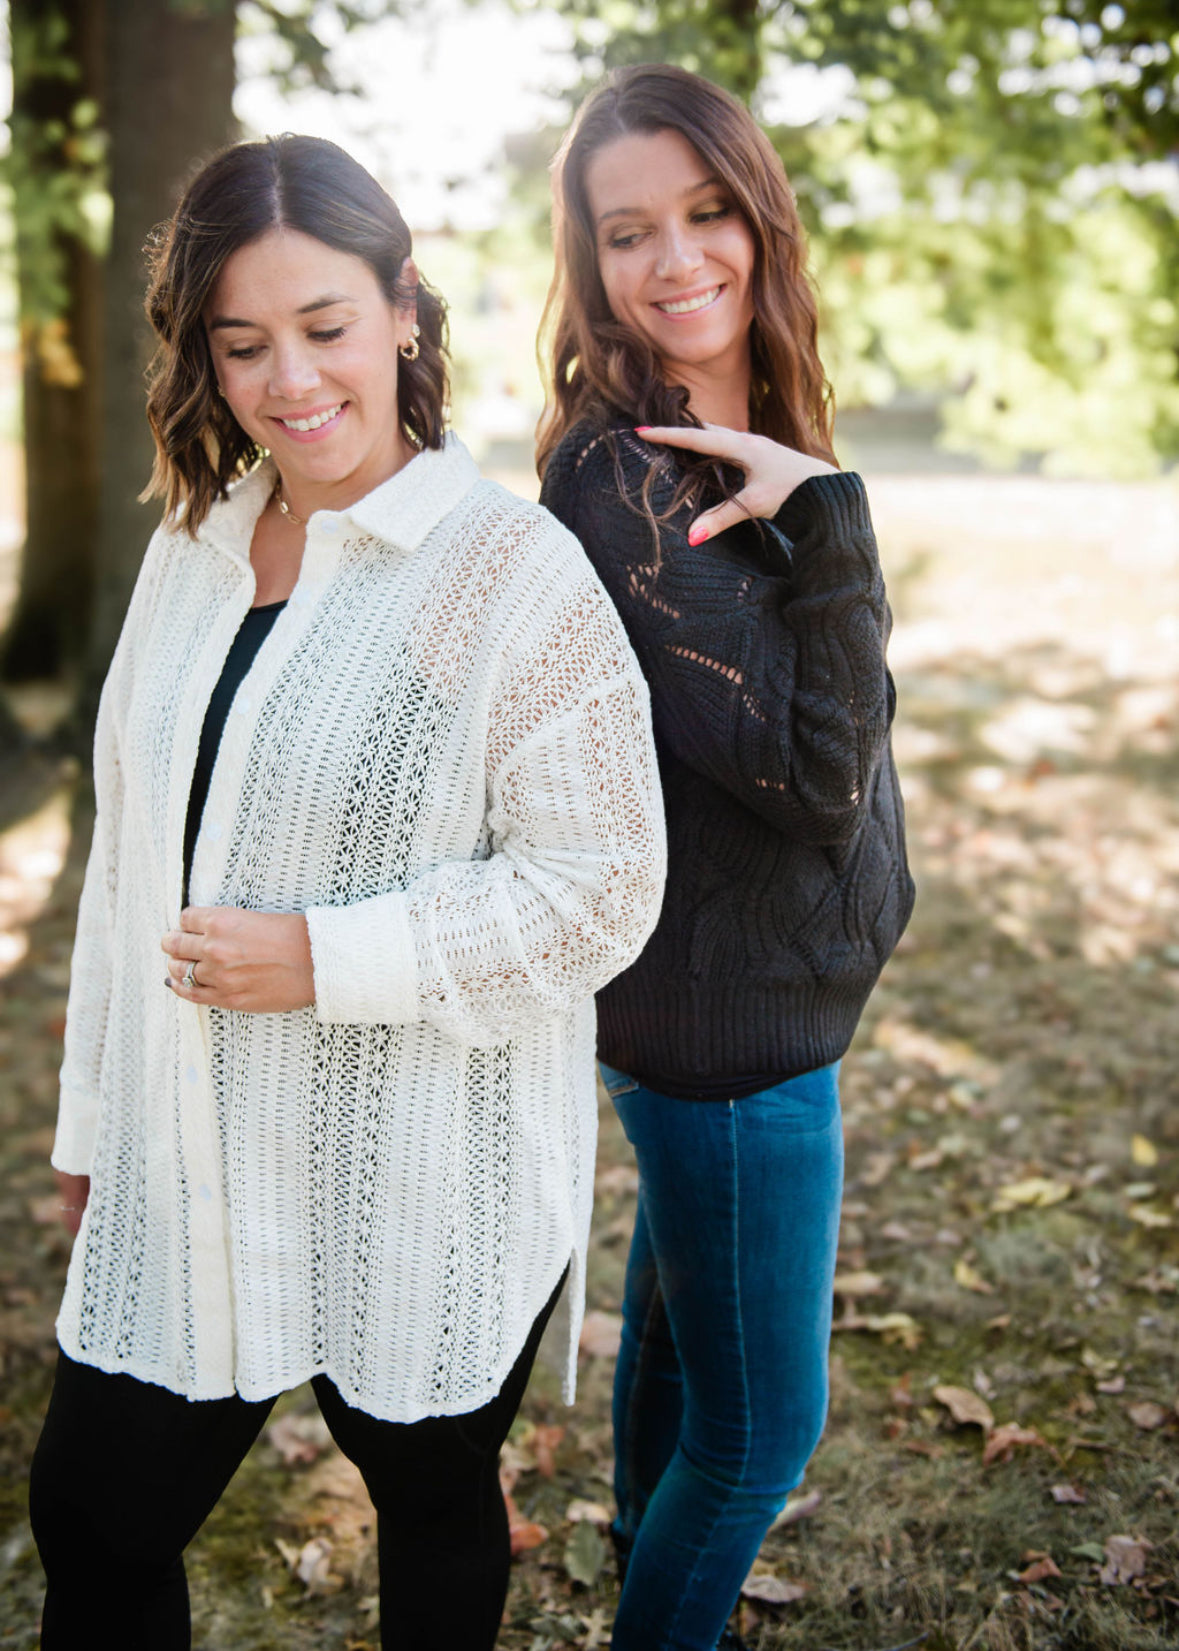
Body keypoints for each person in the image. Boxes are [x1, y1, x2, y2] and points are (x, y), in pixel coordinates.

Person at [30, 132, 666, 1651]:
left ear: (403, 313)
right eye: (242, 344)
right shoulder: (192, 547)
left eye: (324, 328)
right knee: (94, 1510)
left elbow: (604, 885)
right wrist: (91, 1122)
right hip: (196, 1143)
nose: (289, 380)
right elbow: (129, 864)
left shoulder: (504, 571)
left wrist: (328, 956)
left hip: (421, 1164)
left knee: (432, 1515)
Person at [536, 65, 915, 1651]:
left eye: (704, 213)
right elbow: (818, 770)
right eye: (630, 233)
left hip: (749, 996)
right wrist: (832, 514)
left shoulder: (741, 418)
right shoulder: (625, 477)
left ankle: (639, 1544)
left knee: (692, 1335)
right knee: (762, 1439)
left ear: (758, 217)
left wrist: (808, 483)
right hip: (728, 1032)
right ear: (588, 259)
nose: (676, 258)